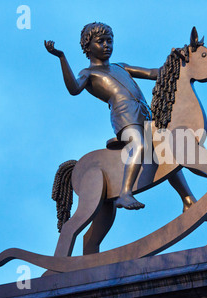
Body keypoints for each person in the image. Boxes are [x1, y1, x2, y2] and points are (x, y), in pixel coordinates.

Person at [44, 22, 197, 212]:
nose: (107, 45)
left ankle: (188, 199)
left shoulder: (121, 67)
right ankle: (125, 193)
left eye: (110, 41)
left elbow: (153, 73)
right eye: (101, 42)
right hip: (124, 116)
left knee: (168, 152)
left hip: (145, 114)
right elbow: (74, 89)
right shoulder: (88, 73)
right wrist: (61, 57)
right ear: (87, 46)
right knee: (139, 145)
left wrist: (178, 60)